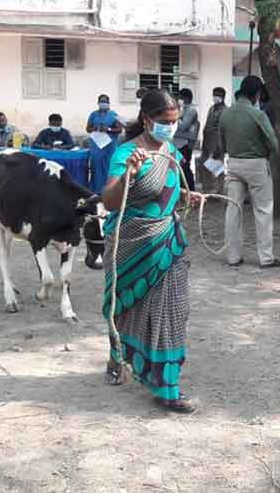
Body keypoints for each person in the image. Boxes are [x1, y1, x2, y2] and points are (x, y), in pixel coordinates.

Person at [100, 89, 204, 413]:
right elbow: (109, 201)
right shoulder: (127, 153)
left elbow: (171, 191)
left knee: (174, 312)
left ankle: (167, 386)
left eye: (174, 122)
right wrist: (129, 172)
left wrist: (188, 198)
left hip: (167, 244)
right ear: (146, 120)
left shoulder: (171, 150)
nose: (170, 127)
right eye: (164, 122)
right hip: (131, 244)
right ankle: (118, 356)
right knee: (125, 308)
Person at [220, 75, 280, 269]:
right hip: (256, 164)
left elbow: (221, 143)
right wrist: (266, 152)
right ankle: (266, 258)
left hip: (234, 163)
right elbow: (273, 143)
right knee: (263, 210)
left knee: (233, 210)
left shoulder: (226, 114)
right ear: (257, 93)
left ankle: (233, 256)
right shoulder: (258, 114)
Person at [87, 94, 124, 194]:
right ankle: (96, 190)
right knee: (96, 165)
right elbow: (88, 128)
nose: (103, 103)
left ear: (108, 103)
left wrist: (108, 129)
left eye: (105, 102)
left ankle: (110, 189)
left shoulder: (114, 115)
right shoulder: (93, 114)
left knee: (109, 166)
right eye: (101, 101)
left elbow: (119, 129)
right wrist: (95, 128)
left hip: (109, 144)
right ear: (98, 103)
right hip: (97, 145)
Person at [198, 87, 228, 193]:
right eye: (214, 94)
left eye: (218, 95)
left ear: (223, 97)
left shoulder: (225, 111)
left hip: (217, 144)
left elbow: (221, 130)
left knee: (217, 169)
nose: (215, 97)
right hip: (207, 143)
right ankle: (207, 190)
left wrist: (219, 147)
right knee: (205, 167)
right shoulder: (211, 108)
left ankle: (218, 192)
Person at [173, 88, 199, 192]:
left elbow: (184, 126)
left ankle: (191, 190)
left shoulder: (191, 110)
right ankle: (182, 190)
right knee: (178, 167)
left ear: (186, 99)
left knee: (185, 168)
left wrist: (174, 116)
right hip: (177, 142)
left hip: (185, 144)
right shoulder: (182, 109)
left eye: (180, 98)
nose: (179, 100)